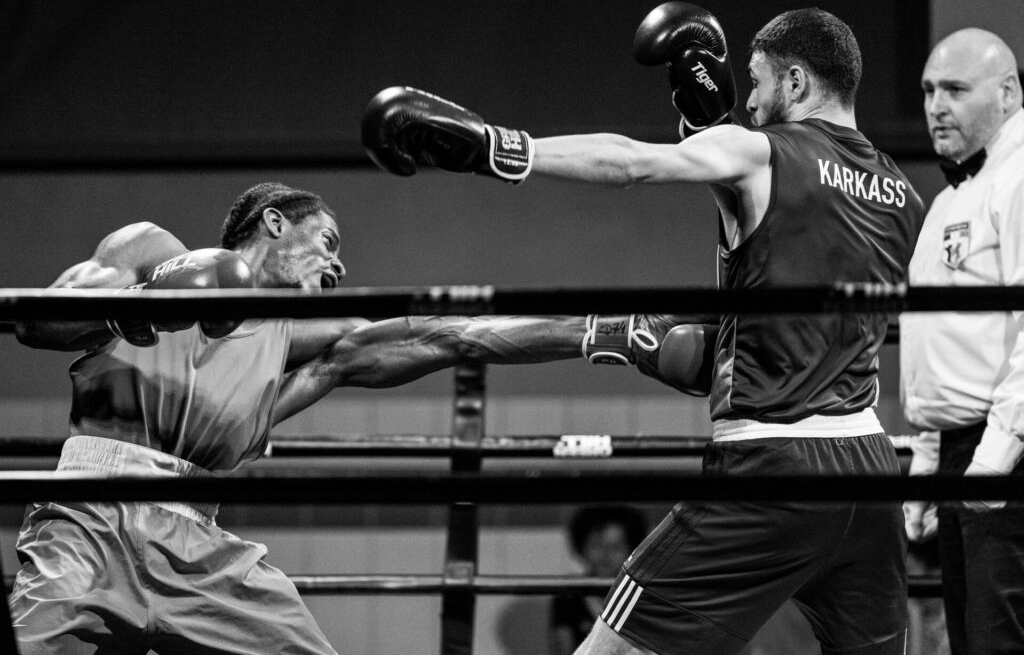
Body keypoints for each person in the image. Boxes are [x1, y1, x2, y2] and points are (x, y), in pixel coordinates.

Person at [362, 3, 926, 654]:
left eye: (758, 82)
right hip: (870, 471)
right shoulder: (903, 196)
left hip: (774, 467)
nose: (749, 103)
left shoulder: (764, 151)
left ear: (796, 81)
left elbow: (629, 162)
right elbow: (782, 258)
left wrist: (497, 147)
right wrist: (704, 128)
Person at [8, 181, 715, 653]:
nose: (338, 265)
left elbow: (449, 335)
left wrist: (602, 332)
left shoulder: (302, 348)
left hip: (199, 547)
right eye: (329, 241)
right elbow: (36, 320)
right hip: (89, 520)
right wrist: (142, 303)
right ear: (275, 222)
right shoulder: (153, 251)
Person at [900, 28, 1024, 654]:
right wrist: (928, 464)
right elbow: (936, 340)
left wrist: (996, 457)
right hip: (961, 449)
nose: (936, 107)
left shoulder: (1020, 177)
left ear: (1007, 93)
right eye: (928, 91)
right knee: (971, 641)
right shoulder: (950, 200)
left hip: (1007, 449)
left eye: (954, 89)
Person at [550, 506, 649, 655]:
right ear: (582, 547)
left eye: (615, 547)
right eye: (596, 546)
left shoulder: (644, 595)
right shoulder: (568, 594)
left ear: (632, 549)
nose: (605, 554)